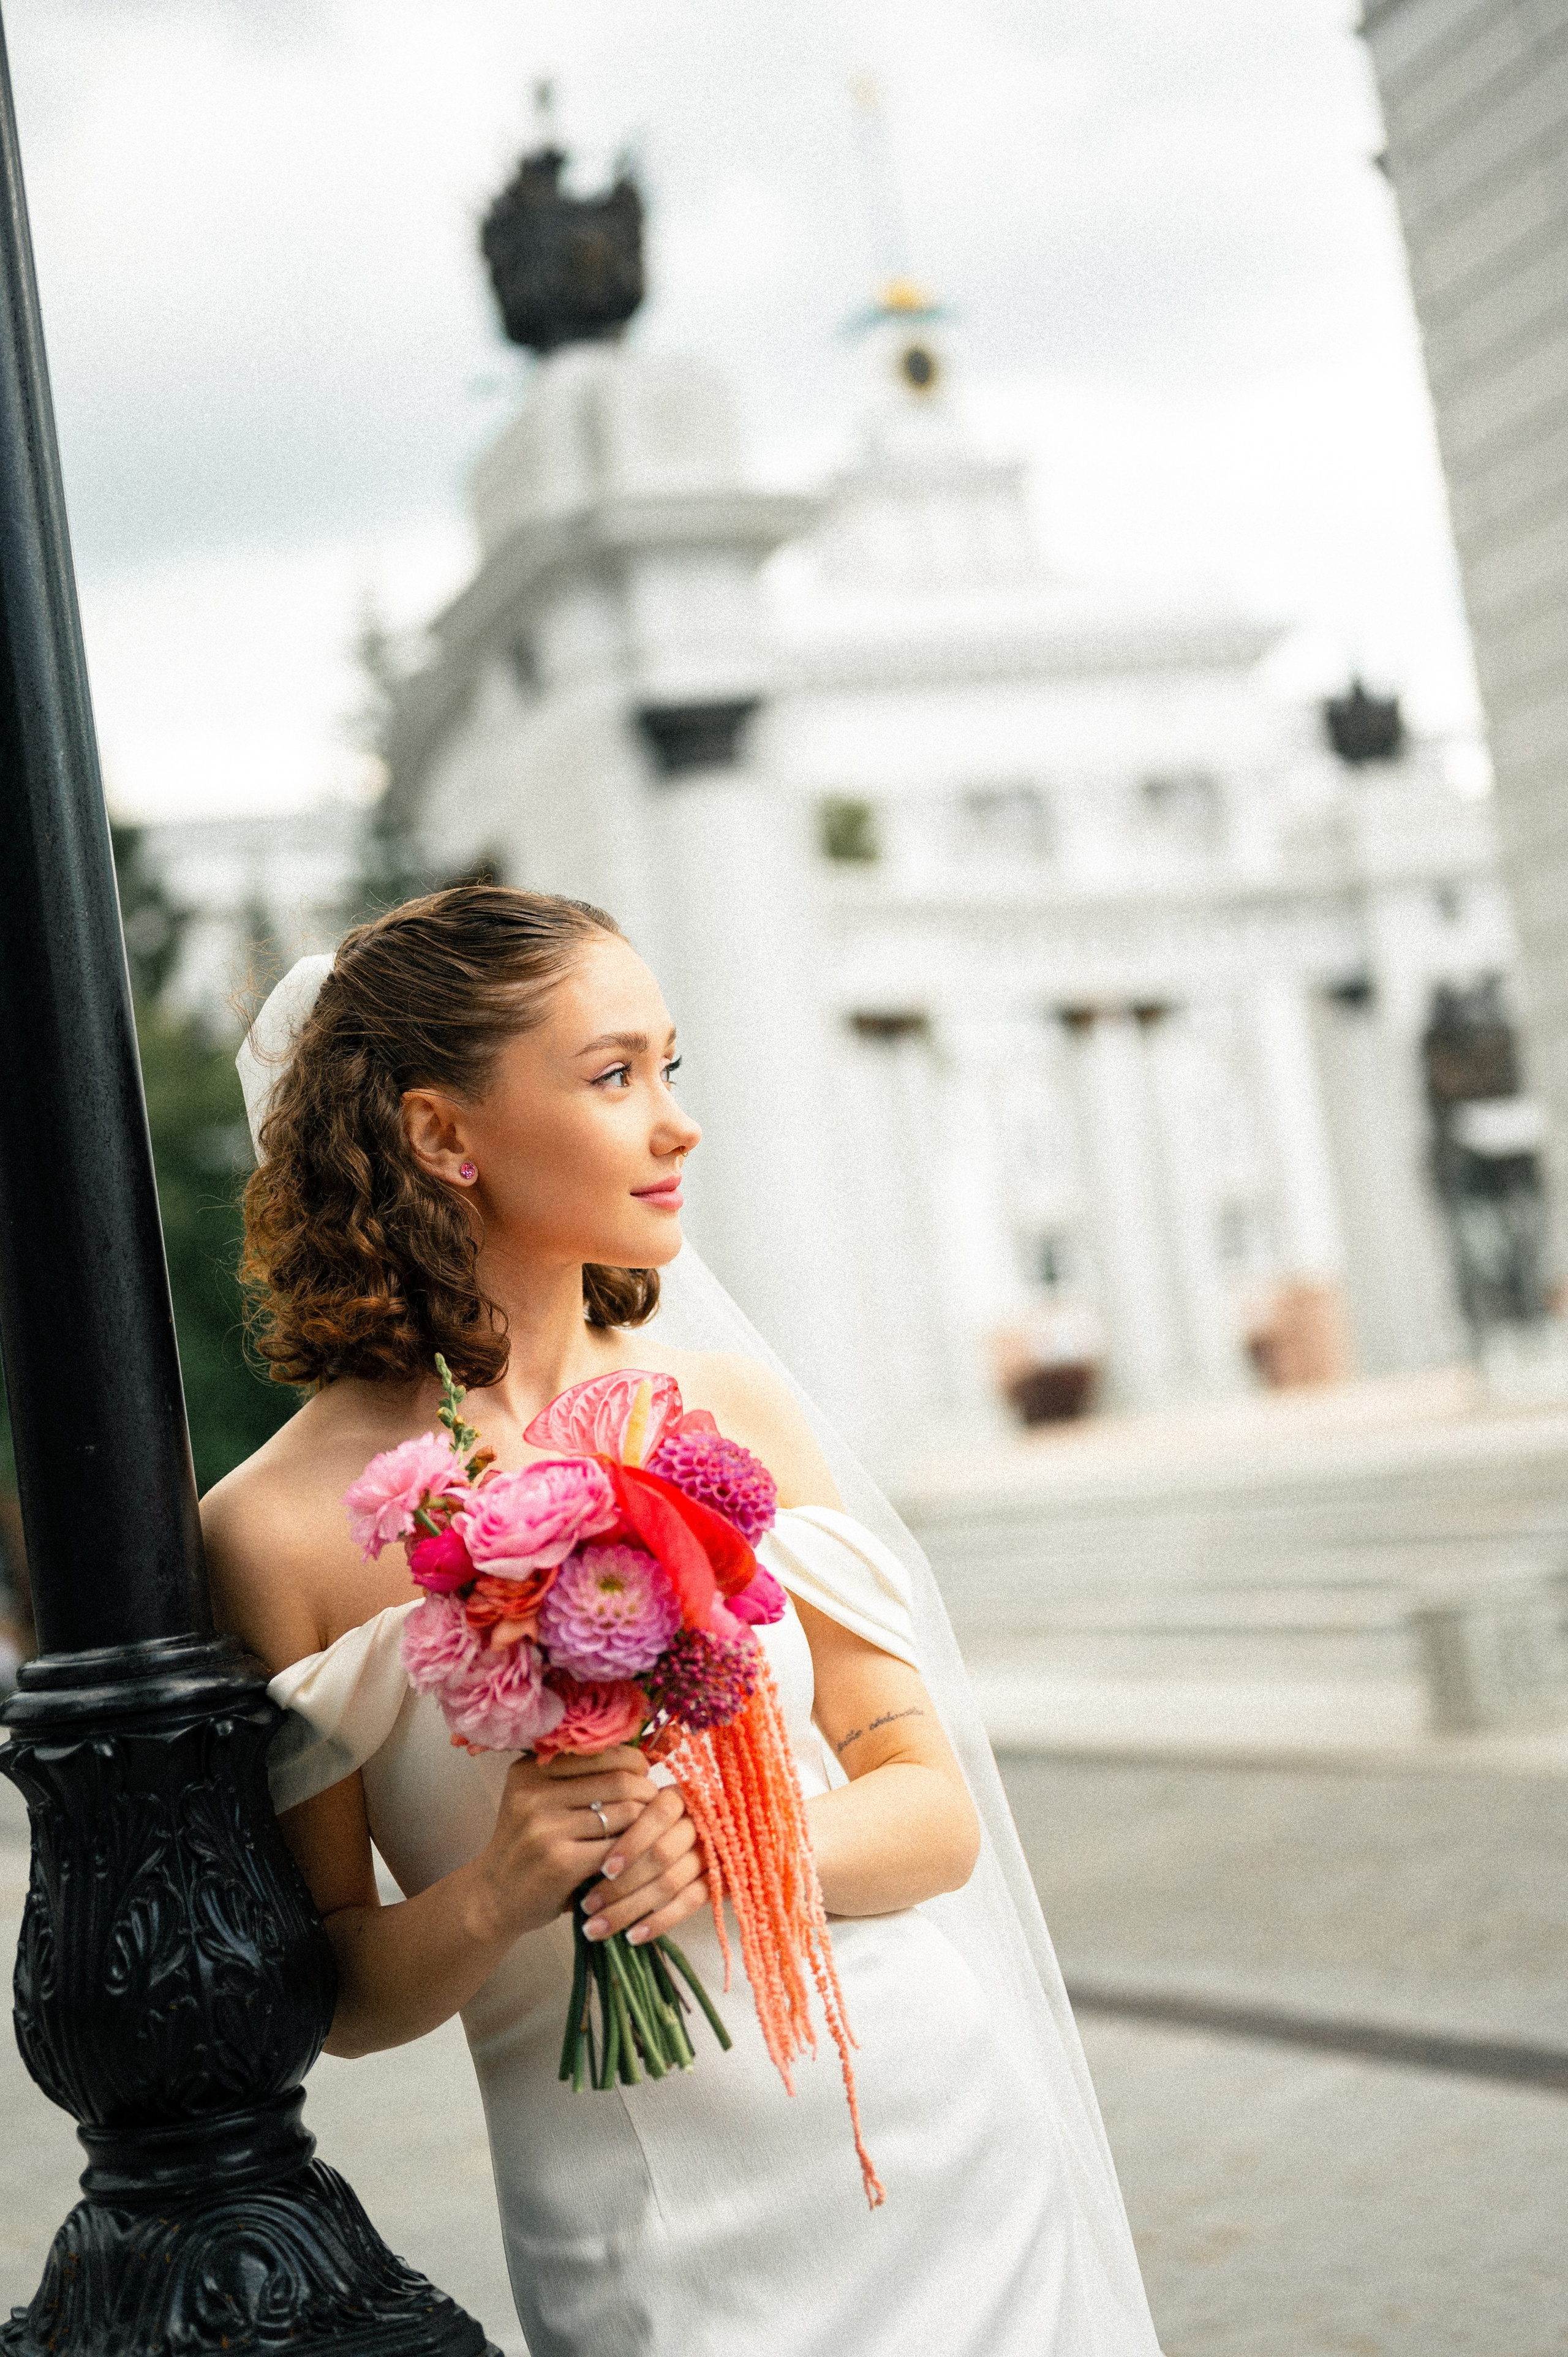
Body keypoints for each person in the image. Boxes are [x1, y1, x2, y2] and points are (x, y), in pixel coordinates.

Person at [203, 884, 1161, 2357]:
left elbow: (930, 1816)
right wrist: (497, 1890)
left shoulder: (735, 1414)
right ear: (441, 1134)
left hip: (931, 2145)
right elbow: (344, 1997)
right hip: (636, 2225)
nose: (676, 1124)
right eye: (612, 1075)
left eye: (669, 1067)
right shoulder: (273, 1530)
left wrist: (731, 1838)